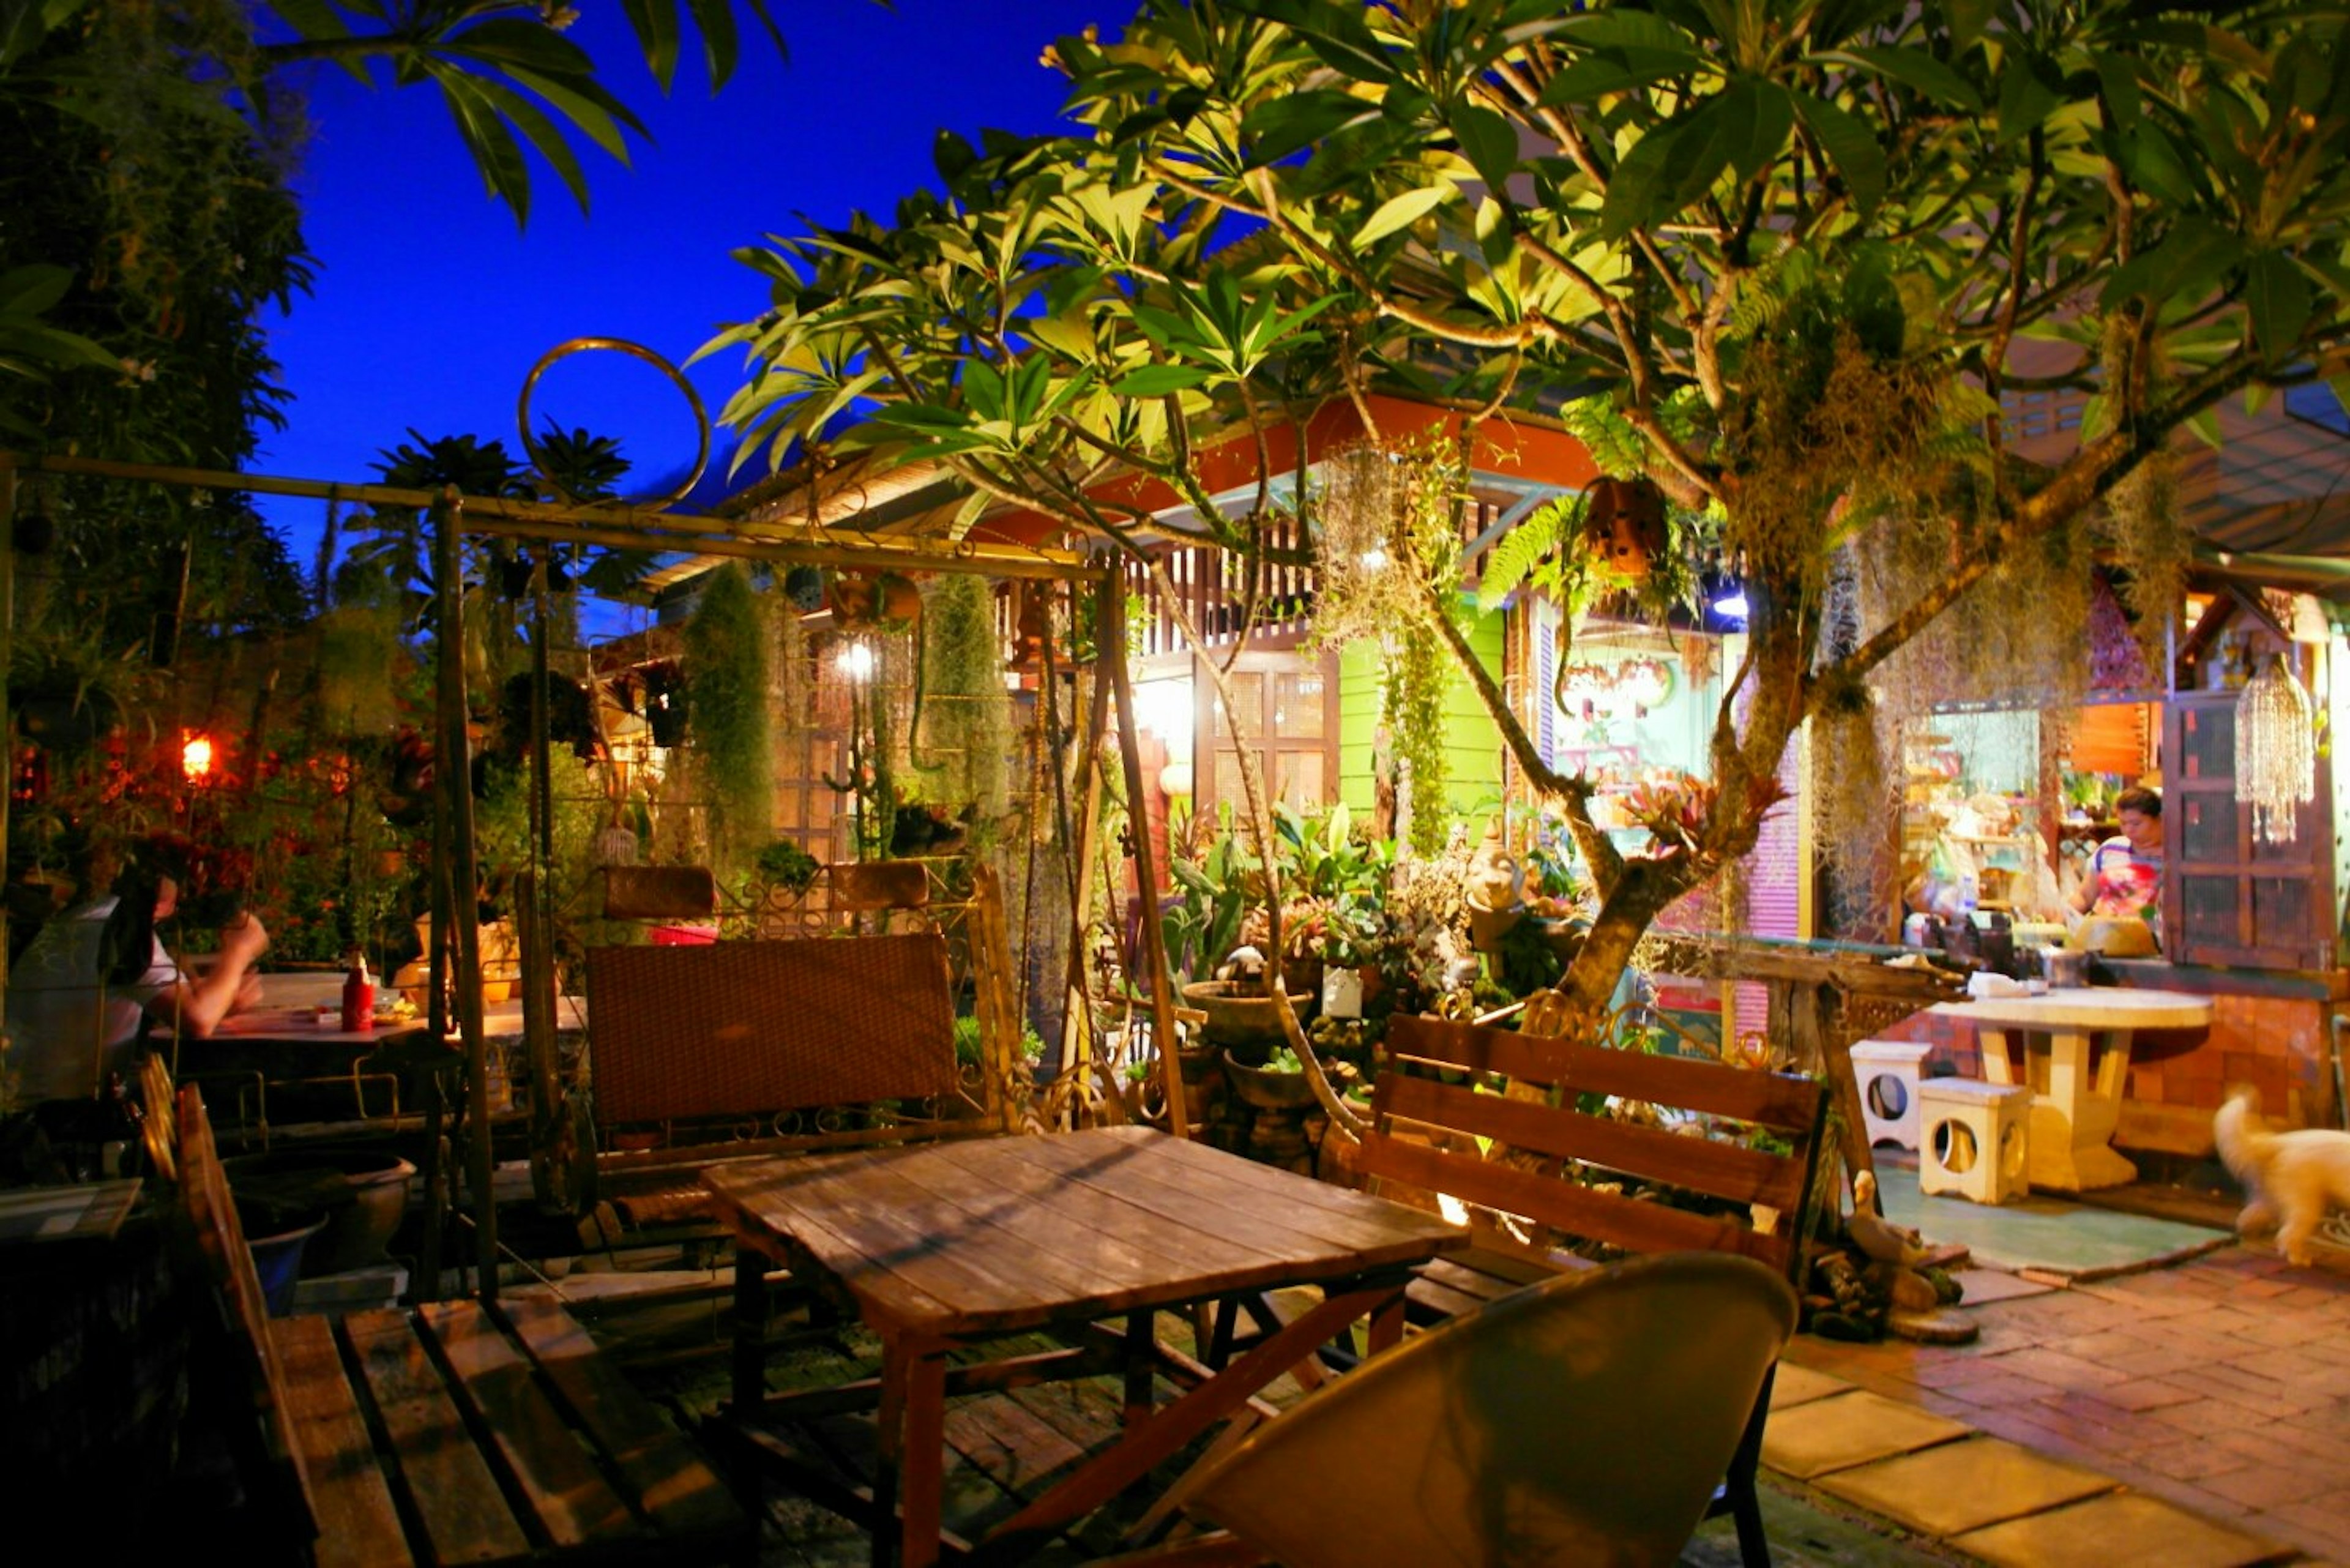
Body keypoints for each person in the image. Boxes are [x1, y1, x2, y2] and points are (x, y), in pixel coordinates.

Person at [3, 838, 268, 1109]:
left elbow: (185, 1004)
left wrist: (221, 1002)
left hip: (34, 1094)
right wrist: (239, 950)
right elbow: (197, 1020)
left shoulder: (96, 919)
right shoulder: (122, 932)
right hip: (54, 1112)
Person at [2072, 786, 2163, 924]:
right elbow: (2085, 896)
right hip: (2101, 933)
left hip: (2149, 939)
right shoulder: (2111, 849)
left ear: (2159, 819)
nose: (2128, 829)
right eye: (2123, 823)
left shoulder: (2177, 858)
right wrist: (2062, 920)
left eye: (2136, 823)